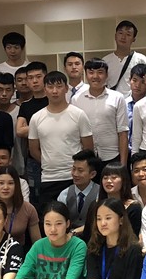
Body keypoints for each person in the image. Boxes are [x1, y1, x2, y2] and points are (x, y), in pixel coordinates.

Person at [28, 70, 95, 201]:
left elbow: (88, 148)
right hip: (48, 177)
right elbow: (33, 149)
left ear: (66, 88)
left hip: (74, 176)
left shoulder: (78, 114)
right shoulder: (36, 118)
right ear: (45, 89)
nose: (55, 91)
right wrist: (48, 161)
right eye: (50, 87)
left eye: (59, 86)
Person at [72, 58, 129, 164]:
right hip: (87, 158)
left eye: (100, 72)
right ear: (85, 75)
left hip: (112, 156)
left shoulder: (117, 98)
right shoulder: (76, 99)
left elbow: (123, 133)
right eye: (91, 72)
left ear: (107, 75)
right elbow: (75, 132)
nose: (95, 76)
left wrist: (123, 165)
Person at [16, 61, 50, 195]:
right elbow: (20, 131)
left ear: (45, 77)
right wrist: (46, 126)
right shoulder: (25, 106)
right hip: (33, 159)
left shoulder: (54, 101)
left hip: (55, 155)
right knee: (35, 196)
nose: (34, 81)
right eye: (30, 78)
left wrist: (30, 128)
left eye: (38, 76)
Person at [0, 166, 40, 248]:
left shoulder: (28, 208)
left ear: (17, 185)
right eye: (1, 183)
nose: (5, 187)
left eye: (10, 183)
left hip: (19, 252)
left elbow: (37, 242)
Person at [57, 149, 102, 234]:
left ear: (92, 174)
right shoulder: (64, 194)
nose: (75, 174)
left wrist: (75, 231)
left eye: (80, 170)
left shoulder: (100, 194)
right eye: (73, 169)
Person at [0, 72, 26, 174]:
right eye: (0, 90)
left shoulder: (21, 113)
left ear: (14, 91)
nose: (4, 94)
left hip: (20, 166)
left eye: (8, 90)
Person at [103, 20, 146, 95]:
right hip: (113, 101)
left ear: (134, 39)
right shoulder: (105, 61)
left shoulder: (141, 60)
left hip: (134, 101)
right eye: (120, 33)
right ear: (115, 36)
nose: (123, 37)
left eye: (128, 34)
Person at [100, 161, 142, 234]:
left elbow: (133, 236)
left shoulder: (134, 208)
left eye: (114, 177)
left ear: (124, 180)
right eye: (105, 178)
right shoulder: (96, 204)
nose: (108, 181)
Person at [124, 64, 146, 141]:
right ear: (129, 80)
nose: (137, 85)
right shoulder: (123, 104)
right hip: (127, 147)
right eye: (134, 80)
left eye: (142, 82)